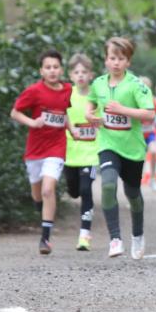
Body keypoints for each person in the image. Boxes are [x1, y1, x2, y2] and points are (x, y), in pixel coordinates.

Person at [85, 37, 156, 259]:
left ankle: (137, 235)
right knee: (107, 185)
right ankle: (115, 239)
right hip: (108, 144)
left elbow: (149, 114)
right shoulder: (98, 83)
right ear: (106, 60)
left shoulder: (136, 85)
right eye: (112, 58)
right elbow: (92, 103)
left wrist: (123, 109)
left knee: (133, 194)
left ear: (128, 62)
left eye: (121, 58)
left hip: (132, 149)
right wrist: (89, 114)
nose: (115, 62)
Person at [9, 49, 73, 255]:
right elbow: (15, 112)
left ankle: (45, 238)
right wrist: (32, 122)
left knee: (48, 189)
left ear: (61, 69)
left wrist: (73, 130)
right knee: (37, 193)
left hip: (56, 147)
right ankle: (41, 209)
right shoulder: (34, 91)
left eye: (55, 67)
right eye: (48, 67)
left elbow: (65, 114)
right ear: (41, 71)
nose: (52, 71)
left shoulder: (67, 90)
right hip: (35, 149)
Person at [64, 53, 100, 252]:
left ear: (91, 74)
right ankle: (74, 189)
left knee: (86, 190)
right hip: (70, 152)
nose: (80, 76)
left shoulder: (96, 94)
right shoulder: (66, 93)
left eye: (84, 72)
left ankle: (84, 235)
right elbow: (59, 114)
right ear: (71, 75)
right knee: (74, 191)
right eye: (76, 72)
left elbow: (104, 118)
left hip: (91, 153)